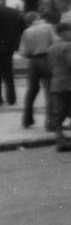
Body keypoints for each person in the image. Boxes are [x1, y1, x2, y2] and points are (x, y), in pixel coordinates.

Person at [19, 11, 58, 130]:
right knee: (50, 92)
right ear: (38, 17)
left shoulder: (27, 32)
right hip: (47, 58)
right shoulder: (48, 27)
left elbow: (24, 52)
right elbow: (55, 42)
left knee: (32, 91)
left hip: (33, 61)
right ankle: (50, 122)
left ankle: (27, 119)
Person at [48, 23, 71, 151]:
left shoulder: (51, 47)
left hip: (56, 84)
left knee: (59, 114)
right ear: (64, 32)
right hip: (68, 83)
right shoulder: (67, 46)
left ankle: (60, 140)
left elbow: (50, 66)